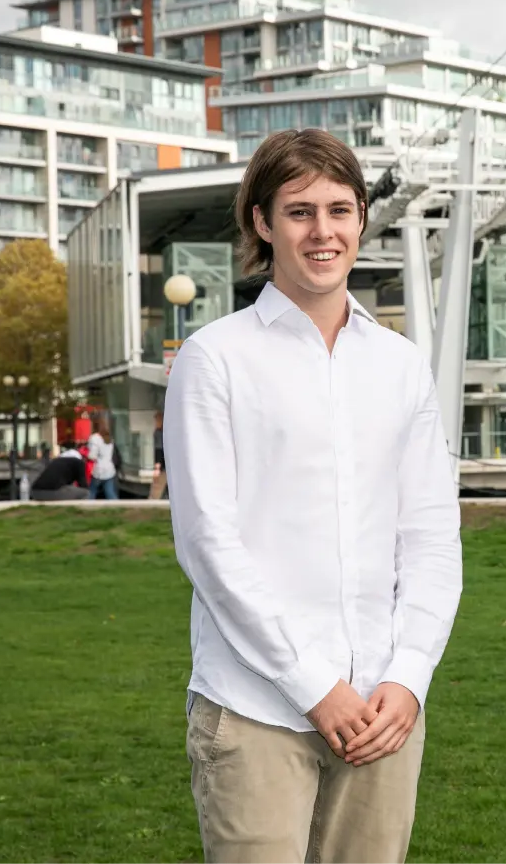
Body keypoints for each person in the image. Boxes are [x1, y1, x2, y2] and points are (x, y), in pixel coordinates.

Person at [164, 128, 462, 864]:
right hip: (256, 706)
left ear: (363, 217)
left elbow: (429, 534)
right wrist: (312, 683)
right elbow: (208, 542)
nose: (322, 231)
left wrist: (409, 673)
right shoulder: (215, 359)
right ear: (263, 224)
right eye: (299, 211)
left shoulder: (401, 365)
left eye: (339, 208)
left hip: (383, 709)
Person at [86, 420, 118, 500]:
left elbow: (92, 455)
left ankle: (87, 508)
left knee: (92, 492)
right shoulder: (109, 438)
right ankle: (117, 508)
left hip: (98, 470)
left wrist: (86, 455)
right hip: (109, 469)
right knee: (110, 492)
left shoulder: (94, 438)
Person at [149, 410, 167, 501]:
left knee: (156, 488)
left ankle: (151, 505)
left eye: (156, 420)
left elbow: (159, 449)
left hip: (163, 466)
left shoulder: (159, 433)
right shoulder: (167, 431)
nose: (155, 423)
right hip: (168, 465)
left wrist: (157, 466)